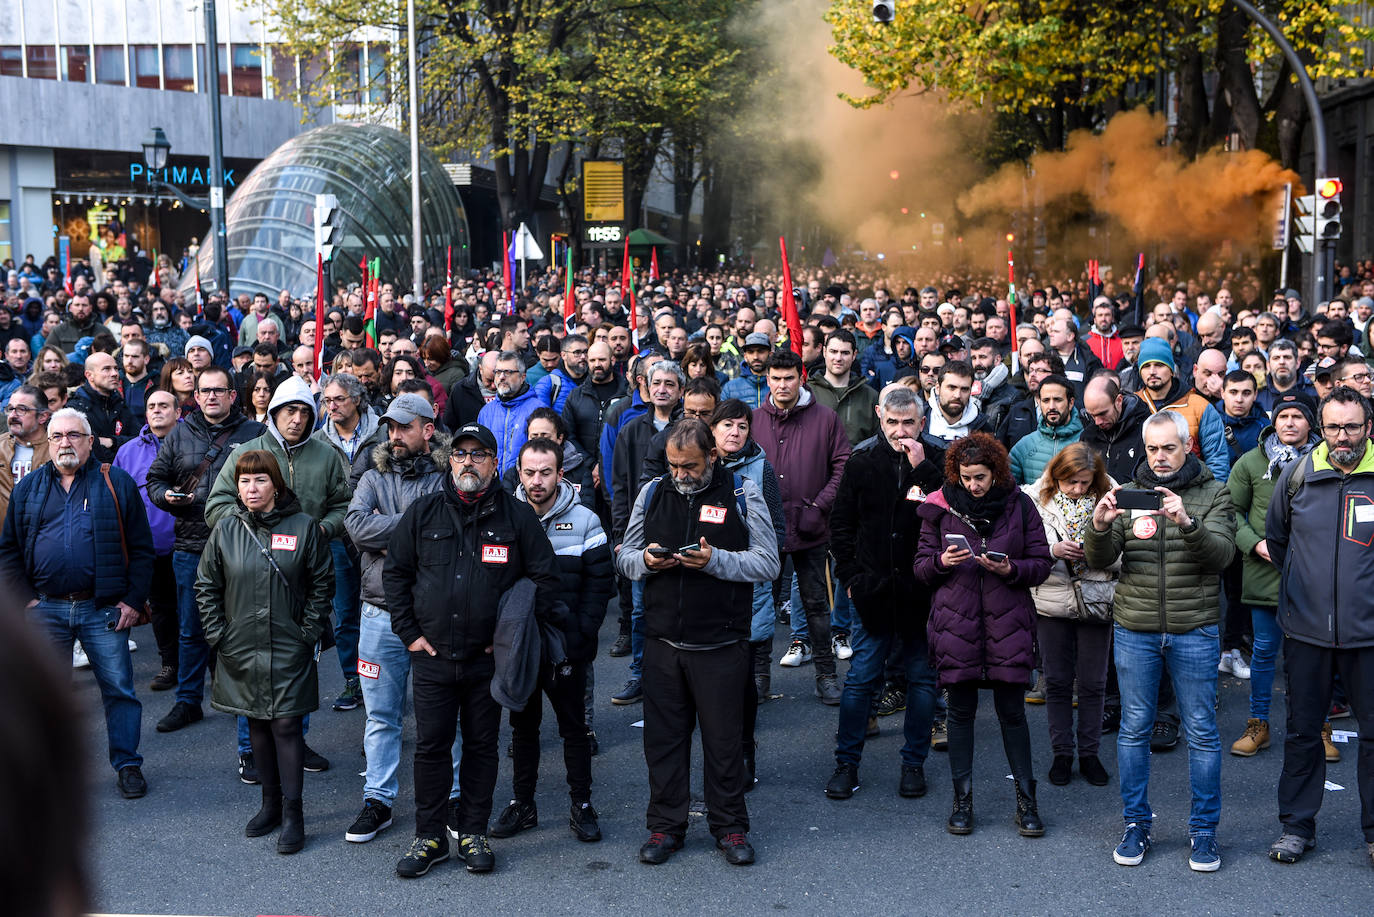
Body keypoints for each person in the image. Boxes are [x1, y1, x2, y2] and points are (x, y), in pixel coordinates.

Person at [384, 422, 561, 878]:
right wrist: (409, 634)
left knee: (483, 746)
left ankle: (473, 832)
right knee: (431, 747)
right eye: (460, 454)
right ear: (450, 460)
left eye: (478, 454)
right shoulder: (422, 513)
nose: (468, 461)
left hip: (488, 662)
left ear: (494, 463)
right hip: (432, 657)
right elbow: (396, 576)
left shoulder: (517, 518)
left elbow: (544, 579)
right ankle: (429, 836)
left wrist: (508, 635)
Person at [616, 418, 781, 867]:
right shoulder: (651, 493)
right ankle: (665, 828)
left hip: (722, 646)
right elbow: (625, 556)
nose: (681, 475)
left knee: (724, 743)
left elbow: (767, 563)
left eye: (689, 466)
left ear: (713, 456)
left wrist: (715, 561)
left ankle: (730, 828)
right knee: (663, 744)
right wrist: (647, 561)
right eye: (673, 466)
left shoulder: (744, 493)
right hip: (662, 644)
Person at [1085, 410, 1236, 872]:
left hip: (1195, 627)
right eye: (1153, 448)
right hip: (1136, 627)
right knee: (1133, 728)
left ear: (1188, 446)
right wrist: (1099, 524)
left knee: (1202, 732)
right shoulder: (1128, 495)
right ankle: (1136, 824)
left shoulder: (1215, 492)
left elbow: (1223, 558)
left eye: (1170, 447)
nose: (1161, 456)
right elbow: (1101, 560)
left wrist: (1188, 522)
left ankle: (1204, 831)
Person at [0, 407, 155, 800]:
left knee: (119, 689)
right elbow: (9, 551)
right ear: (47, 442)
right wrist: (25, 600)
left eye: (74, 435)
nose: (65, 442)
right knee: (42, 695)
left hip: (102, 608)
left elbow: (141, 549)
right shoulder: (28, 488)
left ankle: (127, 764)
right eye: (57, 436)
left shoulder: (115, 481)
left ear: (90, 441)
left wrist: (133, 602)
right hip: (45, 609)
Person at [205, 374, 350, 775]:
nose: (298, 419)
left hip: (303, 570)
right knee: (249, 664)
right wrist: (249, 526)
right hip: (249, 570)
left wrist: (322, 529)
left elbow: (343, 504)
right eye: (290, 410)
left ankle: (294, 742)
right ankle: (249, 750)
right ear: (272, 412)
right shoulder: (248, 453)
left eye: (305, 411)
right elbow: (216, 505)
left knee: (297, 661)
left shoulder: (325, 454)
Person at [914, 432, 1053, 838]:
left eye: (980, 477)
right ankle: (962, 802)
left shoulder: (1021, 504)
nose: (972, 485)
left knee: (1012, 714)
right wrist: (941, 560)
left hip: (1007, 622)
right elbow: (921, 568)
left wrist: (1011, 570)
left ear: (996, 473)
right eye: (965, 477)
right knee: (959, 714)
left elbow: (1041, 563)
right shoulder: (939, 507)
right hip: (956, 624)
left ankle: (1027, 803)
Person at [195, 450, 332, 855]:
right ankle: (269, 806)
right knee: (256, 723)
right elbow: (206, 585)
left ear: (276, 484)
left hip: (288, 645)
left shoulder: (304, 527)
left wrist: (306, 633)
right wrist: (219, 635)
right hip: (241, 646)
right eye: (243, 481)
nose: (250, 489)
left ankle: (294, 814)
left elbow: (322, 585)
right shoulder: (226, 529)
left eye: (259, 480)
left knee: (286, 726)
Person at [342, 393, 462, 845]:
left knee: (444, 715)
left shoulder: (448, 479)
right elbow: (356, 527)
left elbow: (449, 534)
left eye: (404, 427)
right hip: (378, 613)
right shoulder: (371, 476)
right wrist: (416, 530)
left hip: (434, 614)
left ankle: (452, 796)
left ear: (427, 431)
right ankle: (378, 800)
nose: (394, 435)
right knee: (381, 715)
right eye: (390, 427)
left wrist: (392, 530)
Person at [1264, 387, 1374, 866]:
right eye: (1333, 427)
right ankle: (1296, 827)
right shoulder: (1298, 475)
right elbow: (1277, 537)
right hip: (1306, 631)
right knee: (1302, 732)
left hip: (1369, 636)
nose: (1342, 436)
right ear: (1320, 429)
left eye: (1351, 426)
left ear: (1368, 427)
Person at [825, 386, 944, 802]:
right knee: (860, 680)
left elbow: (952, 514)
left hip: (922, 591)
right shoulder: (862, 461)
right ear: (879, 418)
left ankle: (913, 764)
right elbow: (840, 526)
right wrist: (853, 578)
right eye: (892, 423)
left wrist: (923, 469)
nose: (899, 431)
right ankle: (846, 763)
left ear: (921, 422)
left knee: (922, 681)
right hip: (872, 589)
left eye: (908, 422)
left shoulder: (939, 459)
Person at [494, 437, 615, 843]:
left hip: (567, 647)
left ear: (561, 474)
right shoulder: (503, 517)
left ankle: (582, 805)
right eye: (529, 473)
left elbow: (600, 585)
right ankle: (522, 804)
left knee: (573, 729)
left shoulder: (585, 520)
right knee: (522, 730)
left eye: (546, 472)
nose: (537, 481)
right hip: (522, 647)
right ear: (519, 473)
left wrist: (581, 636)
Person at [145, 367, 265, 741]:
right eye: (205, 391)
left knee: (242, 628)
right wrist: (166, 497)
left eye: (219, 390)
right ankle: (188, 701)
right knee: (190, 630)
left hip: (241, 546)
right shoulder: (180, 433)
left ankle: (238, 700)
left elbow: (272, 483)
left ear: (233, 395)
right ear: (195, 396)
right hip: (191, 546)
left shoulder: (255, 433)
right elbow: (155, 481)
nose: (211, 397)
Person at [753, 349, 851, 704]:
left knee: (816, 605)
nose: (782, 385)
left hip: (810, 527)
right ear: (768, 380)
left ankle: (826, 674)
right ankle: (759, 677)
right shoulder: (753, 420)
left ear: (801, 378)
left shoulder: (825, 419)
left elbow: (842, 465)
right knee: (762, 605)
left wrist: (821, 506)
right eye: (776, 378)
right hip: (764, 533)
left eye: (789, 378)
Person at [1226, 394, 1319, 759]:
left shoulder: (1325, 462)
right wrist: (1254, 544)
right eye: (1284, 416)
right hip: (1266, 572)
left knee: (1311, 656)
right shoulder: (1251, 462)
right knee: (1264, 652)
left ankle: (1317, 727)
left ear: (1311, 423)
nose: (1290, 423)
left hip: (1315, 576)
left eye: (1298, 416)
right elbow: (1230, 511)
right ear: (1274, 421)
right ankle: (1258, 724)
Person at [1024, 443, 1118, 787]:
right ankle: (1062, 753)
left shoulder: (1112, 497)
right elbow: (1024, 547)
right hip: (1052, 598)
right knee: (1059, 682)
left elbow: (1126, 553)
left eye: (1085, 483)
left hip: (1097, 597)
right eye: (1071, 483)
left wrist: (1096, 550)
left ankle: (1090, 754)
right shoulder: (1034, 499)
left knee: (1094, 683)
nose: (1078, 489)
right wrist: (1053, 550)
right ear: (1056, 476)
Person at [112, 389, 181, 692]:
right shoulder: (127, 452)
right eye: (151, 406)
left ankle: (213, 665)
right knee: (163, 609)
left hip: (193, 544)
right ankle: (170, 664)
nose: (156, 411)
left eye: (164, 406)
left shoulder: (191, 443)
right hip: (150, 548)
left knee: (201, 607)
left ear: (178, 412)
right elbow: (116, 499)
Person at [808, 329, 879, 446]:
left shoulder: (870, 397)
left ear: (854, 355)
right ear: (824, 352)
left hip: (857, 462)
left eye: (845, 353)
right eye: (833, 351)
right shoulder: (807, 392)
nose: (838, 358)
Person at [1009, 373, 1083, 485]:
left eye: (1058, 400)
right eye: (1046, 400)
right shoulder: (1024, 446)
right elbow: (1008, 491)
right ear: (1039, 402)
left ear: (1071, 402)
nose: (1051, 406)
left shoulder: (1086, 441)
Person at [477, 351, 543, 476]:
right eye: (498, 372)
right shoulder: (486, 412)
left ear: (522, 377)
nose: (501, 377)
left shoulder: (538, 410)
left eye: (508, 372)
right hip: (492, 487)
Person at [67, 351, 136, 462]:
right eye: (106, 369)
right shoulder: (76, 409)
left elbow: (139, 440)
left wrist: (112, 442)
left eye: (116, 368)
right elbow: (90, 450)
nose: (115, 374)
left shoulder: (119, 403)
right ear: (89, 375)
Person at [0, 384, 51, 520]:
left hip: (43, 534)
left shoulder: (57, 448)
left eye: (22, 410)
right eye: (10, 409)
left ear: (42, 417)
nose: (13, 415)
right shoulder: (0, 445)